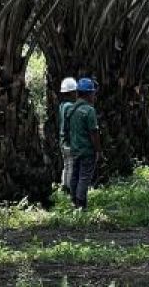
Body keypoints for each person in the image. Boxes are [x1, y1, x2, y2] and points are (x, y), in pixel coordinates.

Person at [66, 77, 101, 210]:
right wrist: (98, 150)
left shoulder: (71, 109)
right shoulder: (89, 110)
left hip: (75, 149)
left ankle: (74, 201)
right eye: (93, 93)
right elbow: (94, 133)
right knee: (84, 177)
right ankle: (81, 204)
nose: (94, 96)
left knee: (75, 176)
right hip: (87, 150)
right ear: (88, 94)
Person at [57, 76, 79, 193]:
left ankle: (64, 187)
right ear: (70, 93)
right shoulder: (70, 106)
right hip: (69, 141)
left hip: (62, 140)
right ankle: (71, 190)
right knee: (71, 166)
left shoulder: (62, 105)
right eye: (75, 92)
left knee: (66, 165)